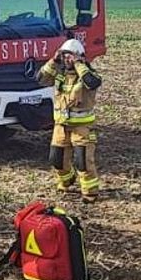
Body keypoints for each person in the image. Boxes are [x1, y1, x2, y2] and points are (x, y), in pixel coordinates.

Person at [37, 38, 103, 202]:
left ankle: (90, 192)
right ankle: (67, 180)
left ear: (80, 57)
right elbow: (40, 78)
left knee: (83, 161)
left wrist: (79, 64)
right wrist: (53, 60)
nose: (68, 60)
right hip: (61, 126)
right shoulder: (60, 74)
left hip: (82, 128)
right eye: (65, 56)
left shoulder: (87, 74)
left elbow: (92, 82)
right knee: (56, 159)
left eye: (71, 56)